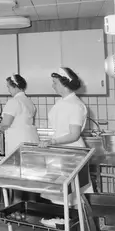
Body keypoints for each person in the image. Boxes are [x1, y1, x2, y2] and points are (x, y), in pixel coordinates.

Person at [38, 67, 91, 204]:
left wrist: (53, 142)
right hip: (60, 152)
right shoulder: (62, 102)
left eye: (55, 83)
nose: (52, 86)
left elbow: (74, 134)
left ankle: (74, 218)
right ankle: (61, 217)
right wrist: (53, 143)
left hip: (72, 153)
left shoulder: (75, 105)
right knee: (59, 197)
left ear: (64, 83)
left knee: (73, 198)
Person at [1, 74, 40, 156]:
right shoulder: (29, 101)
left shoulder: (13, 101)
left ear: (15, 87)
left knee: (17, 164)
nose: (8, 90)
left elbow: (6, 124)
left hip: (18, 142)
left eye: (9, 87)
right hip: (31, 139)